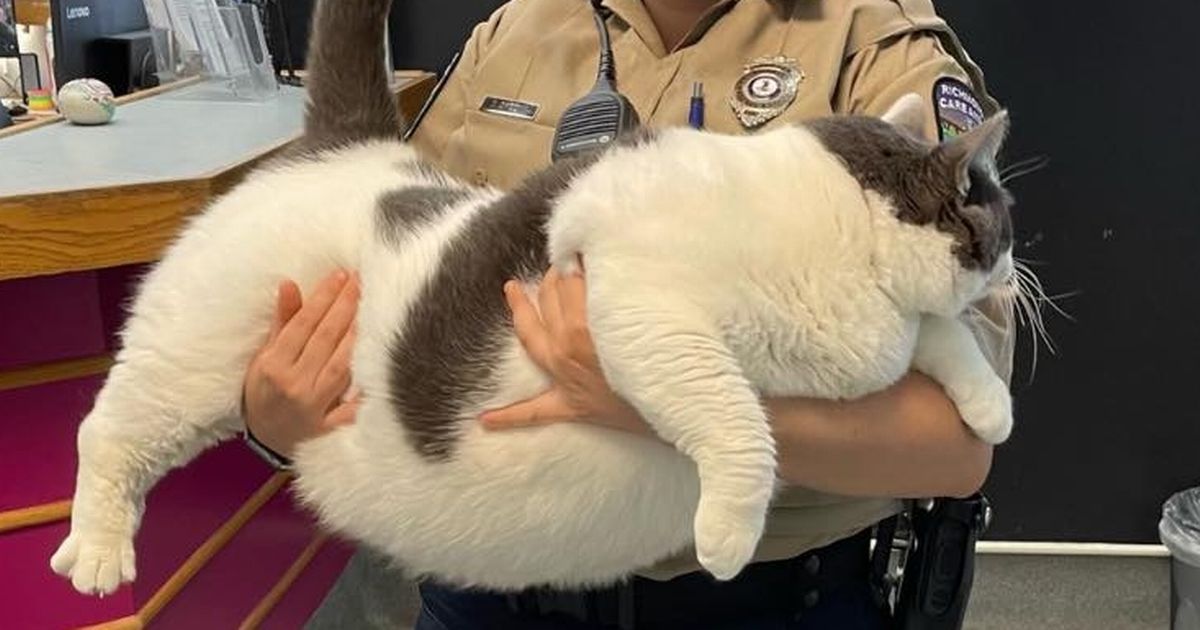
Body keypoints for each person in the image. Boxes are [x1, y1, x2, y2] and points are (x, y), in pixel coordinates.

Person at [242, 0, 1015, 627]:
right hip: (487, 577)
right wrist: (280, 412)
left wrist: (661, 402)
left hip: (751, 596)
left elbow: (954, 448)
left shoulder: (873, 48)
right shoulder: (513, 33)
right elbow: (384, 263)